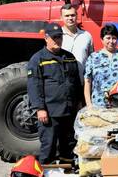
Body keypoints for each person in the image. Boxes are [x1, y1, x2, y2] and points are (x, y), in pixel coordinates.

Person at [27, 23, 82, 164]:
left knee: (69, 145)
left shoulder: (69, 57)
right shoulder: (38, 59)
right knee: (49, 146)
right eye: (54, 37)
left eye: (59, 37)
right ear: (46, 38)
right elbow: (34, 86)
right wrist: (40, 109)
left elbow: (75, 82)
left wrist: (79, 103)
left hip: (69, 111)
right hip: (50, 113)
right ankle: (46, 176)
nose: (58, 40)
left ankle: (67, 174)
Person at [83, 24, 118, 108]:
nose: (111, 41)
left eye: (114, 38)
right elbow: (87, 82)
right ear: (102, 39)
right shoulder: (93, 57)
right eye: (108, 38)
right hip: (98, 104)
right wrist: (89, 104)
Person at [60, 4, 93, 84]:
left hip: (83, 83)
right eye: (67, 16)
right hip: (63, 85)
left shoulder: (87, 36)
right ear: (61, 18)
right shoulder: (57, 36)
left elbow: (91, 60)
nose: (70, 18)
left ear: (77, 16)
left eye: (72, 15)